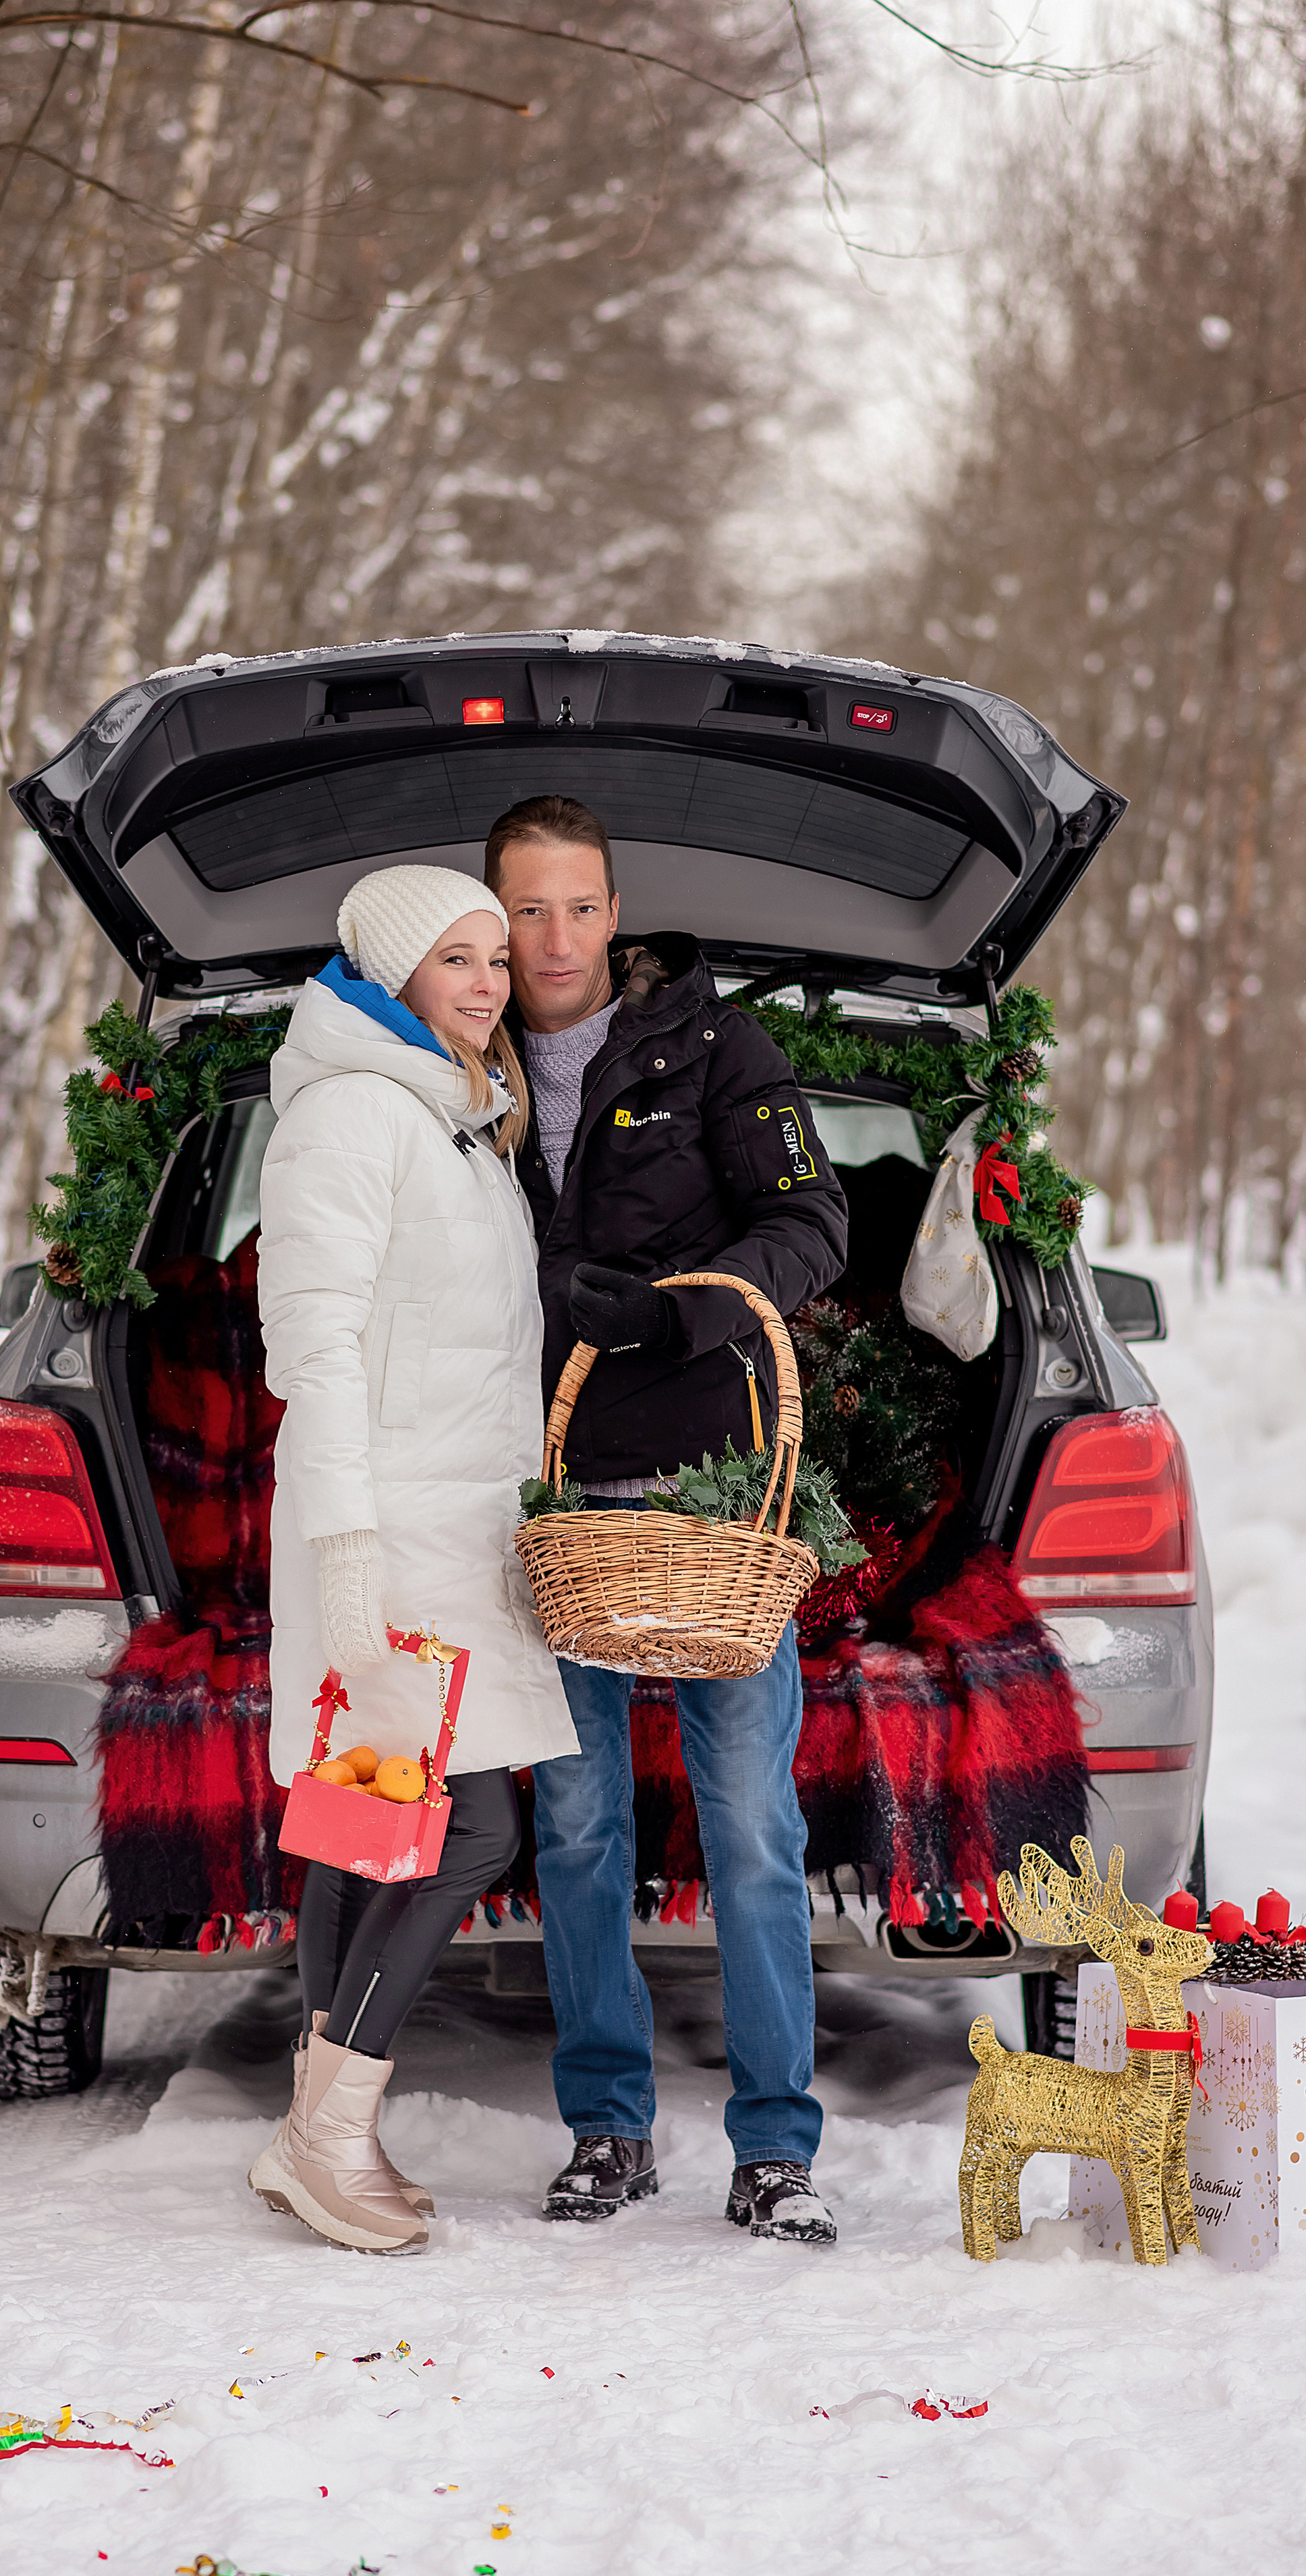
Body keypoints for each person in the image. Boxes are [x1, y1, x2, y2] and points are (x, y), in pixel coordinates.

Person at [488, 793, 849, 2244]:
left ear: (615, 912)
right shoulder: (459, 1055)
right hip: (555, 1496)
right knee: (573, 1828)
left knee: (751, 1828)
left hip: (708, 1497)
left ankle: (773, 2150)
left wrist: (680, 1309)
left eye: (579, 906)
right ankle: (607, 2131)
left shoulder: (712, 1046)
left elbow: (813, 1222)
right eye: (527, 910)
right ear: (492, 918)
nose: (555, 938)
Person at [248, 863, 579, 2254]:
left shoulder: (456, 1123)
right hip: (383, 1530)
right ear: (390, 976)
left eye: (494, 957)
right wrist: (344, 1554)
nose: (489, 981)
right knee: (465, 1826)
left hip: (459, 1530)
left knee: (365, 1821)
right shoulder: (351, 1119)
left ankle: (315, 2136)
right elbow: (308, 1347)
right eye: (455, 958)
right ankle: (327, 2128)